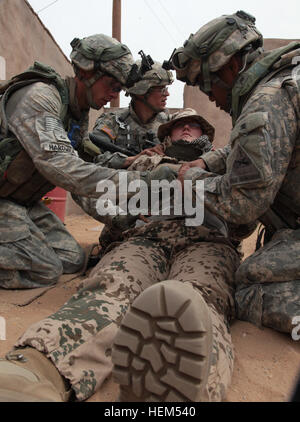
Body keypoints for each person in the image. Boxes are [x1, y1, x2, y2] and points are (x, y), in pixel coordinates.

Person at [0, 109, 245, 402]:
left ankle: (189, 384)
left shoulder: (223, 164)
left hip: (207, 242)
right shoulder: (142, 162)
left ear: (207, 137)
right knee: (109, 287)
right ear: (167, 135)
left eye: (196, 126)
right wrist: (127, 215)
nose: (189, 129)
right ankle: (40, 369)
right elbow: (99, 194)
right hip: (145, 237)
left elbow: (246, 212)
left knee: (199, 298)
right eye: (181, 126)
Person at [0, 34, 175, 290]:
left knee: (72, 260)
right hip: (5, 201)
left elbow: (84, 175)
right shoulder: (40, 98)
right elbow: (64, 169)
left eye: (120, 90)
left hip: (17, 202)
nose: (114, 96)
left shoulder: (75, 114)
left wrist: (120, 217)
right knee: (46, 270)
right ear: (86, 72)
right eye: (112, 86)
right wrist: (143, 183)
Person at [171, 10, 300, 334]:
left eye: (206, 83)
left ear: (229, 66)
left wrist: (192, 180)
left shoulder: (265, 104)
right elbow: (270, 146)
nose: (210, 97)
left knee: (247, 287)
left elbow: (243, 202)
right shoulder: (285, 79)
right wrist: (209, 162)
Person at [89, 61, 173, 158]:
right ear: (141, 91)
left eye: (166, 89)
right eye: (161, 89)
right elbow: (96, 158)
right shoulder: (112, 122)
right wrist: (130, 160)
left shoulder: (169, 124)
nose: (167, 94)